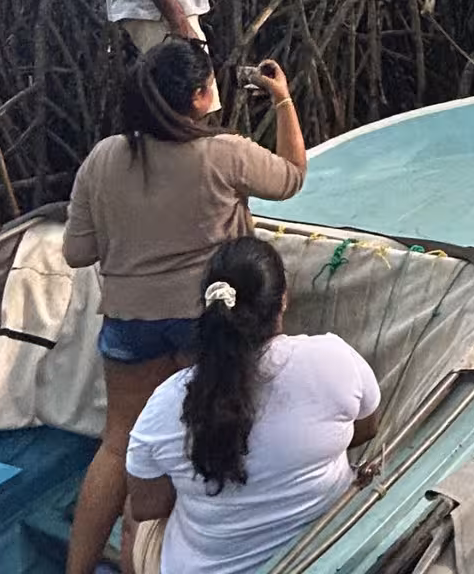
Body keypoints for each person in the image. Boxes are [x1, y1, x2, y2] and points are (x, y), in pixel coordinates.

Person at [61, 43, 310, 574]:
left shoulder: (103, 157)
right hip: (209, 322)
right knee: (205, 433)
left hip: (131, 327)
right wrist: (283, 101)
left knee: (119, 446)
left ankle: (77, 570)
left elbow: (77, 252)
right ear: (200, 98)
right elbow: (291, 177)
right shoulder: (226, 152)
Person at [122, 237, 381, 574]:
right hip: (321, 546)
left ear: (208, 308)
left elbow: (147, 506)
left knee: (130, 515)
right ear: (283, 300)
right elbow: (365, 429)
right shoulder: (335, 359)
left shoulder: (165, 406)